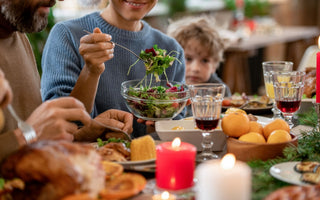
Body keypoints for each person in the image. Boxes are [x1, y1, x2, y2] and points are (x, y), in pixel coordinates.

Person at [0, 0, 133, 163]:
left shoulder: (17, 34)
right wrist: (29, 135)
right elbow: (28, 136)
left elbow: (28, 146)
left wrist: (80, 135)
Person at [41, 0, 186, 138]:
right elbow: (60, 124)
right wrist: (91, 71)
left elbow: (177, 131)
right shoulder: (67, 35)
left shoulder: (171, 50)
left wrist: (158, 127)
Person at [167, 16, 232, 116]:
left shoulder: (220, 93)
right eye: (188, 59)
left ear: (214, 66)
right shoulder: (166, 89)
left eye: (205, 60)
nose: (195, 68)